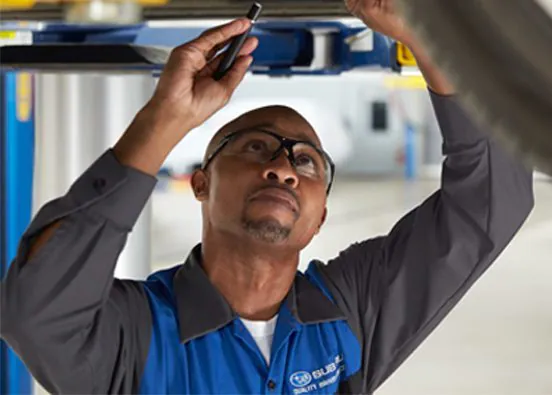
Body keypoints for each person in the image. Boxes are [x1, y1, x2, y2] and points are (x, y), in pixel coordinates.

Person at [0, 1, 534, 394]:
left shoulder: (349, 313)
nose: (282, 168)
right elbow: (39, 312)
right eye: (255, 148)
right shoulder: (138, 334)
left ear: (320, 214)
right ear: (201, 182)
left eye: (306, 161)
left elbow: (491, 202)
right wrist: (164, 119)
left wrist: (430, 39)